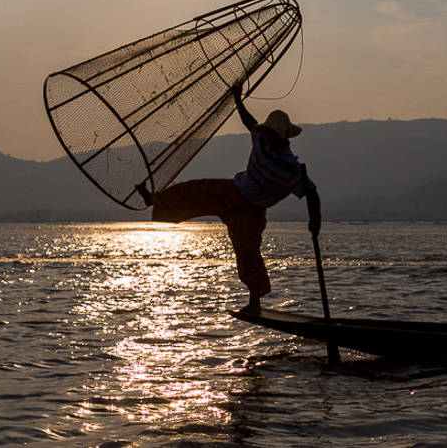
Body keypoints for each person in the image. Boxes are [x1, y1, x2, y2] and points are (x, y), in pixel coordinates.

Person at [135, 85, 319, 314]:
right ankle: (155, 200)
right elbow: (249, 122)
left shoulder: (290, 168)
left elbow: (311, 192)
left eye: (273, 134)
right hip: (232, 190)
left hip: (250, 211)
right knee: (194, 190)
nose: (268, 136)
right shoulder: (261, 138)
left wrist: (315, 221)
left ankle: (255, 303)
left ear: (281, 136)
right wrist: (237, 99)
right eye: (268, 132)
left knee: (247, 253)